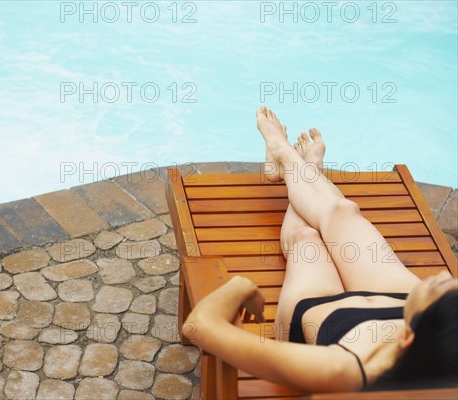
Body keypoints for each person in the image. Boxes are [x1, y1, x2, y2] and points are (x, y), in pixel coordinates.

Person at [183, 106, 458, 393]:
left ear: (407, 337)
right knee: (342, 212)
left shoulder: (343, 368)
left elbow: (200, 325)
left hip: (325, 315)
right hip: (401, 301)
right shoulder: (440, 339)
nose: (442, 277)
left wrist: (240, 286)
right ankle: (293, 161)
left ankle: (288, 156)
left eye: (439, 289)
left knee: (307, 238)